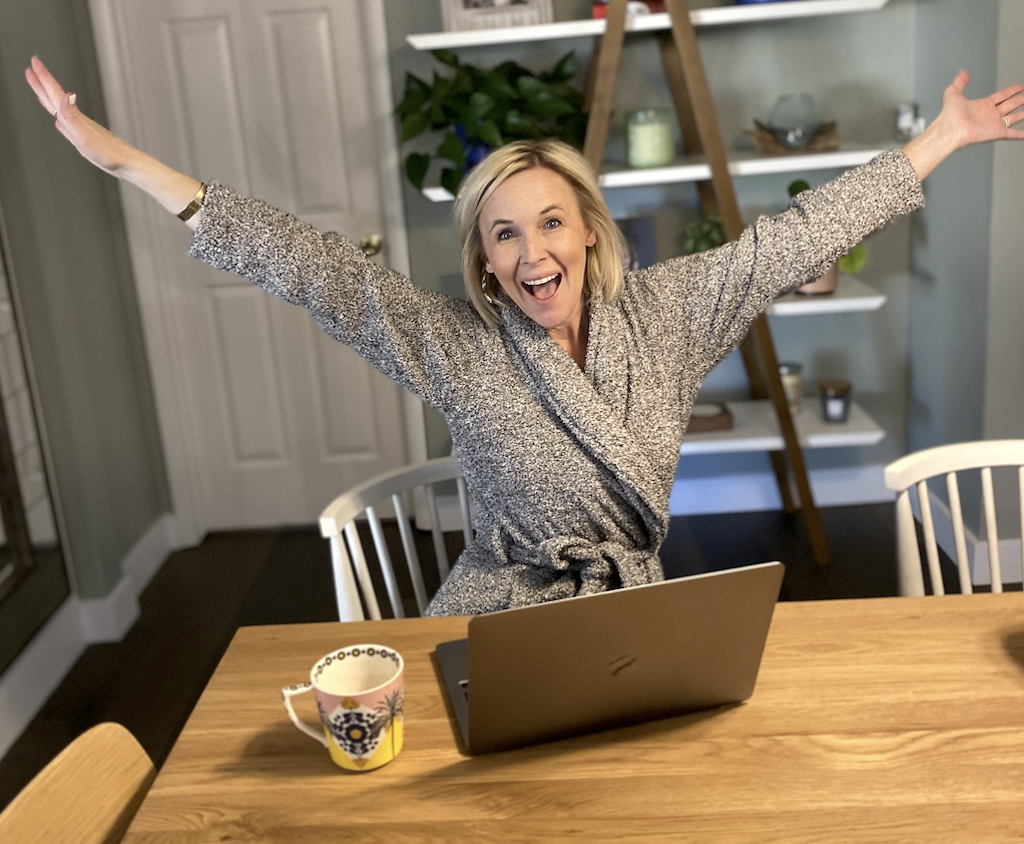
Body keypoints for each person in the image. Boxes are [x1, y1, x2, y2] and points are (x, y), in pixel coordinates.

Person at [26, 56, 1023, 615]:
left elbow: (792, 238)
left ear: (590, 229)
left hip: (631, 609)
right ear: (486, 260)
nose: (531, 251)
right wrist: (127, 164)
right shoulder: (451, 341)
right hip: (496, 613)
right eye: (504, 234)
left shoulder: (667, 313)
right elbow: (311, 268)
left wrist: (940, 137)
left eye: (550, 221)